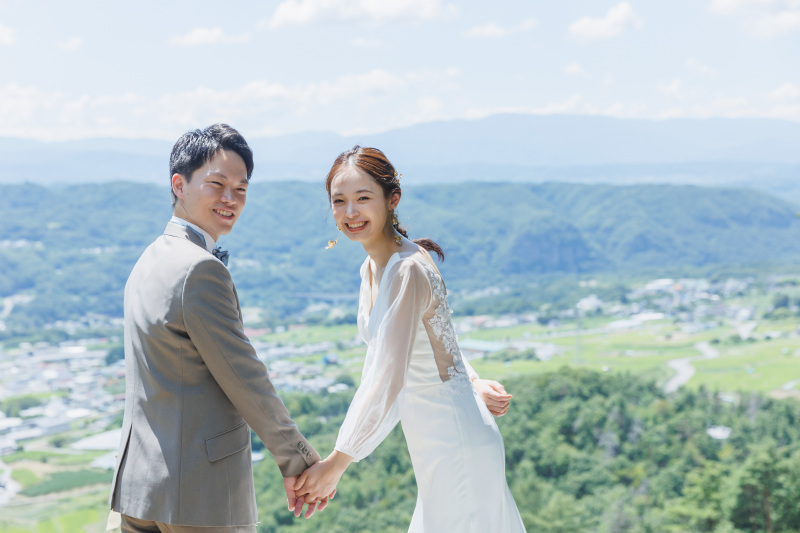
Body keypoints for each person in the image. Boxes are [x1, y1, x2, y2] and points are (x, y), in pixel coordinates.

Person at [293, 146, 526, 531]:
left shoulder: (406, 269)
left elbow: (387, 375)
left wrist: (338, 462)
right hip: (434, 437)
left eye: (363, 198)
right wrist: (471, 382)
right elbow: (433, 336)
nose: (350, 212)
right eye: (340, 201)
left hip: (452, 438)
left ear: (392, 199)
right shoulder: (373, 266)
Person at [108, 124, 327, 533]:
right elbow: (244, 375)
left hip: (140, 488)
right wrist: (299, 459)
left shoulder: (150, 258)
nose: (230, 199)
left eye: (241, 188)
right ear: (179, 184)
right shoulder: (199, 269)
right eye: (217, 184)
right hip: (197, 494)